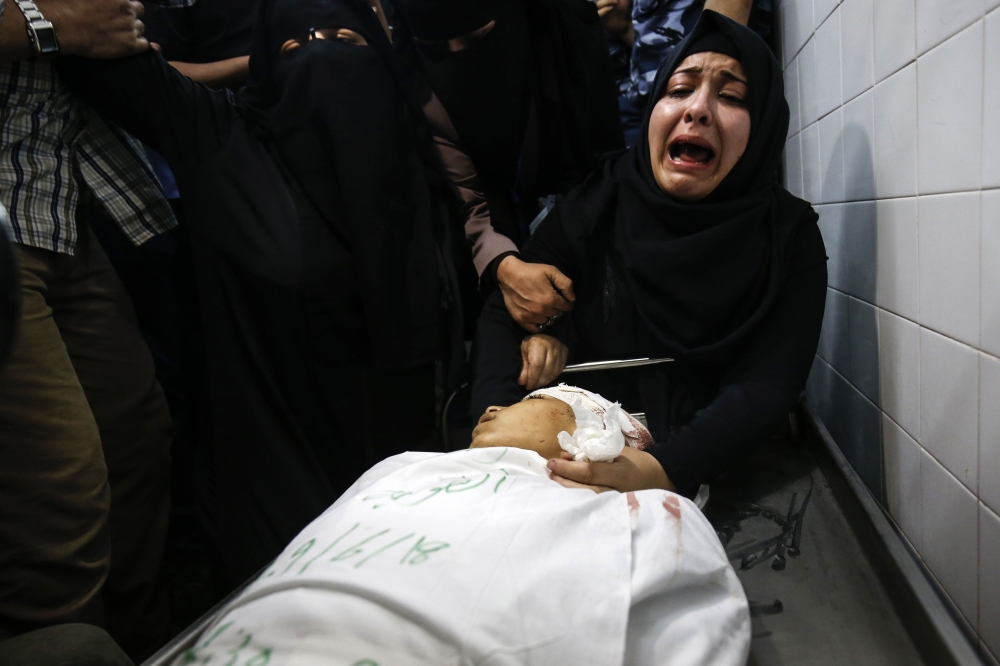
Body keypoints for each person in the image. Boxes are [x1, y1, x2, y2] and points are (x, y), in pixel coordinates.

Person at [55, 0, 456, 590]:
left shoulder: (427, 169)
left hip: (407, 479)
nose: (323, 57)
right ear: (265, 66)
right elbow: (102, 59)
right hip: (274, 479)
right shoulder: (225, 145)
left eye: (347, 40)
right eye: (295, 49)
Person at [472, 11, 827, 500]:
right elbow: (507, 307)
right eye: (678, 89)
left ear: (764, 127)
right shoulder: (601, 197)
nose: (697, 109)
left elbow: (767, 384)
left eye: (730, 96)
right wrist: (498, 427)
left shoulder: (788, 235)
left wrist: (661, 469)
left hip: (694, 459)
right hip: (558, 439)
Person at [170, 386, 750, 666]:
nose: (492, 409)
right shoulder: (401, 469)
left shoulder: (647, 513)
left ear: (600, 431)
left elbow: (693, 640)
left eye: (529, 399)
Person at [0, 0, 178, 660]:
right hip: (4, 223)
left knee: (136, 440)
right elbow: (67, 22)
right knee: (58, 496)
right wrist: (56, 25)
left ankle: (138, 647)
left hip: (57, 203)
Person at [393, 0, 625, 334]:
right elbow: (467, 202)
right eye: (438, 47)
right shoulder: (424, 90)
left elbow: (600, 155)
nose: (457, 53)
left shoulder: (561, 47)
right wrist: (503, 265)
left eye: (474, 38)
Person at [598, 0, 771, 146]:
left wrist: (700, 96)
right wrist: (626, 30)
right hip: (649, 110)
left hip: (707, 107)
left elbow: (718, 57)